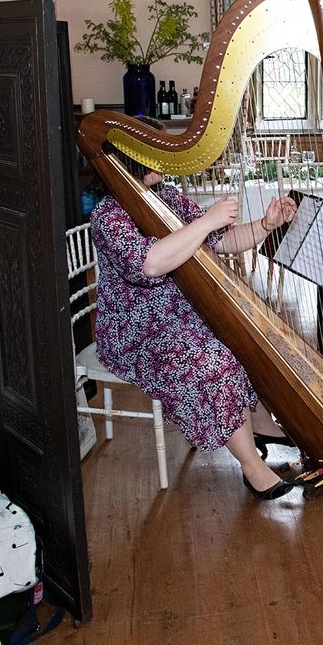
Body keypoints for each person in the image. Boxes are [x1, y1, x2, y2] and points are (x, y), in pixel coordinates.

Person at [90, 134, 299, 500]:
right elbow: (148, 263)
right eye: (156, 151)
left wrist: (266, 225)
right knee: (212, 362)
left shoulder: (167, 197)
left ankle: (259, 424)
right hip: (136, 330)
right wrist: (205, 223)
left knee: (244, 337)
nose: (167, 158)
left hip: (182, 314)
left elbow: (222, 241)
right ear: (131, 157)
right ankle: (252, 466)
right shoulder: (108, 214)